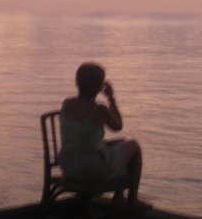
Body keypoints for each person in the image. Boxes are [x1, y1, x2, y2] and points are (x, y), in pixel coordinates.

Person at [58, 62, 149, 208]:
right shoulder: (99, 110)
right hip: (90, 170)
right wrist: (111, 99)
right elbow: (118, 126)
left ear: (77, 82)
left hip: (68, 167)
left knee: (118, 143)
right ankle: (131, 198)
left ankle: (116, 196)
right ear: (100, 87)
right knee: (134, 147)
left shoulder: (66, 103)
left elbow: (83, 138)